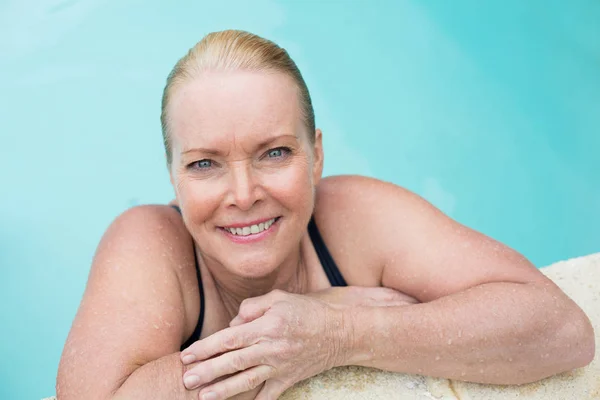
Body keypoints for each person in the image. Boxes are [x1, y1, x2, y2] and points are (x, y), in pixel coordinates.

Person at [56, 30, 595, 400]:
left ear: (317, 156)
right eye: (205, 164)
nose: (243, 194)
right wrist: (290, 331)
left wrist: (341, 332)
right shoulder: (152, 242)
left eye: (275, 153)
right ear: (173, 175)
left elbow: (561, 331)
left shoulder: (356, 215)